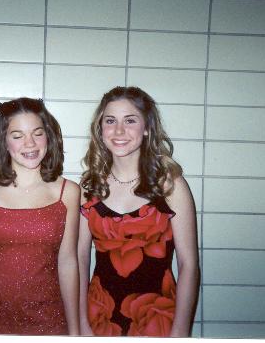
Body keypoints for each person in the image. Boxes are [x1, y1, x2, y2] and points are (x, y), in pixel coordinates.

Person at [77, 86, 200, 337]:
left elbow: (189, 265)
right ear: (100, 129)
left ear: (146, 128)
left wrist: (180, 332)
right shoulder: (89, 186)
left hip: (158, 320)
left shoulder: (170, 186)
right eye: (110, 121)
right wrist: (81, 325)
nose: (119, 130)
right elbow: (79, 260)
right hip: (100, 319)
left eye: (130, 120)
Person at [0, 97, 80, 335]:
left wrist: (74, 332)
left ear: (49, 136)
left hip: (48, 322)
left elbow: (68, 262)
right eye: (17, 135)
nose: (30, 143)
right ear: (3, 141)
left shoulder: (68, 193)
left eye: (37, 133)